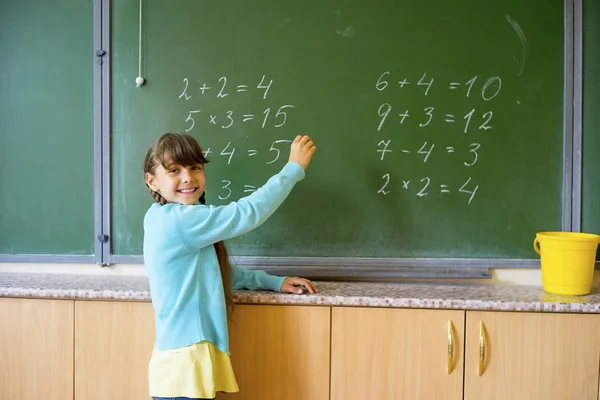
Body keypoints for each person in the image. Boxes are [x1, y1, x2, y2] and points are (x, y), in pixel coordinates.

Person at [142, 132, 318, 400]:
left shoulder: (162, 218)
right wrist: (293, 169)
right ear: (152, 181)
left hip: (182, 361)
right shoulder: (180, 221)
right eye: (174, 170)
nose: (188, 177)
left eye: (195, 167)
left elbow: (211, 271)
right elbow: (247, 213)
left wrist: (271, 282)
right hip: (187, 361)